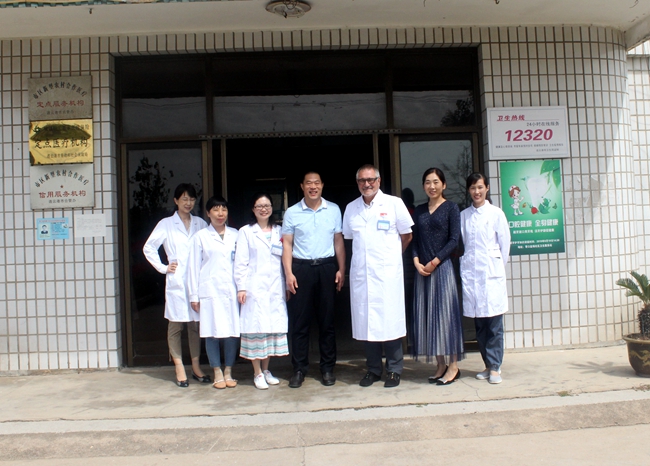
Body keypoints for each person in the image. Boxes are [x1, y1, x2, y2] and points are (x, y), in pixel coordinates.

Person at [342, 164, 413, 388]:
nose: (367, 184)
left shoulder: (394, 203)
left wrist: (391, 258)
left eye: (371, 179)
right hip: (363, 276)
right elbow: (349, 238)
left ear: (379, 181)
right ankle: (373, 369)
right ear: (357, 183)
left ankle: (394, 370)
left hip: (387, 275)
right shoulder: (351, 208)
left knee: (390, 322)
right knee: (367, 324)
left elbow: (407, 235)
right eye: (362, 180)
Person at [282, 171, 346, 388]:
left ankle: (327, 368)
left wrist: (341, 268)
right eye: (308, 183)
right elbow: (287, 244)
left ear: (322, 185)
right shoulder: (292, 212)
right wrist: (288, 273)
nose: (313, 187)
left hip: (327, 268)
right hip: (301, 269)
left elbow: (338, 241)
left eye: (316, 183)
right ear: (302, 186)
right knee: (300, 322)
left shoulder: (334, 209)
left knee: (327, 321)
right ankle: (299, 369)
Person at [143, 183, 209, 387]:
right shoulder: (166, 224)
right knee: (175, 325)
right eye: (184, 199)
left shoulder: (200, 223)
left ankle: (196, 366)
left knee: (194, 326)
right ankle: (179, 366)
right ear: (176, 201)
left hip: (196, 279)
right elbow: (149, 247)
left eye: (191, 199)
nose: (188, 203)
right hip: (177, 280)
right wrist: (163, 267)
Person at [411, 168, 464, 385]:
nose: (431, 186)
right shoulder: (419, 210)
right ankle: (440, 364)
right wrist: (416, 261)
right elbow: (414, 239)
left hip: (442, 269)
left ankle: (453, 366)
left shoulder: (451, 208)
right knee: (429, 317)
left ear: (443, 185)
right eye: (427, 182)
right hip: (423, 271)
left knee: (446, 317)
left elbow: (454, 240)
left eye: (435, 182)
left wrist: (435, 262)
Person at [460, 173, 511, 384]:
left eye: (480, 187)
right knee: (479, 325)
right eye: (473, 188)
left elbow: (505, 245)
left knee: (494, 325)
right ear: (469, 190)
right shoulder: (464, 216)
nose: (477, 192)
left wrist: (495, 266)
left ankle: (496, 366)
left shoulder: (496, 213)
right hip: (473, 277)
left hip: (491, 275)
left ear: (487, 188)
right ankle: (487, 365)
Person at [234, 193, 289, 390]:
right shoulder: (246, 232)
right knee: (256, 330)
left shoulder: (279, 230)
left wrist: (286, 284)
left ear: (272, 208)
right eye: (259, 206)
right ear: (253, 209)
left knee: (270, 330)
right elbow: (241, 262)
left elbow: (285, 260)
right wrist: (241, 287)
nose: (263, 209)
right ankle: (256, 372)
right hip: (254, 289)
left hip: (275, 287)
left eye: (267, 205)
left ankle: (266, 370)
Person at [187, 196, 240, 390]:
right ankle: (217, 371)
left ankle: (228, 371)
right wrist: (194, 296)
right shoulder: (200, 237)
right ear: (208, 213)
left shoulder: (236, 234)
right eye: (216, 210)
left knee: (232, 332)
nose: (220, 214)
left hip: (232, 290)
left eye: (223, 209)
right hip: (209, 290)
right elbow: (193, 268)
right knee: (211, 332)